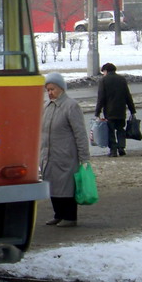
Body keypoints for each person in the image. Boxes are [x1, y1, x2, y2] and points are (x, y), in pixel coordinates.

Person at [40, 72, 90, 228]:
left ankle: (70, 217)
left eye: (52, 89)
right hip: (48, 155)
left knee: (66, 187)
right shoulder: (46, 107)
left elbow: (80, 133)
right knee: (53, 185)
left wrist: (84, 158)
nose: (50, 93)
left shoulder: (71, 106)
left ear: (61, 88)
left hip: (66, 155)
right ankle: (58, 215)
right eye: (47, 90)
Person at [94, 62, 136, 157]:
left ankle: (113, 150)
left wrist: (97, 112)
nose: (103, 74)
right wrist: (132, 110)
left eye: (103, 71)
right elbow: (128, 96)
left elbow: (101, 98)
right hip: (121, 110)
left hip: (109, 111)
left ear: (106, 71)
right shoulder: (122, 79)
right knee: (120, 129)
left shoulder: (103, 81)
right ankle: (121, 148)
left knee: (110, 130)